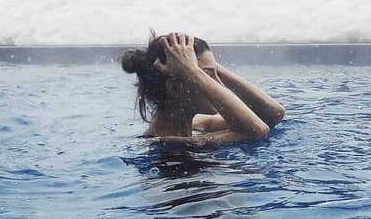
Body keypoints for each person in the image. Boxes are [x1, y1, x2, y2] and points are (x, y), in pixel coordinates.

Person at [121, 32, 285, 144]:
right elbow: (257, 130)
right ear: (176, 89)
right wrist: (194, 71)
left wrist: (208, 67)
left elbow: (272, 115)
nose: (219, 85)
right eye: (207, 76)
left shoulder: (196, 126)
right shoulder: (169, 146)